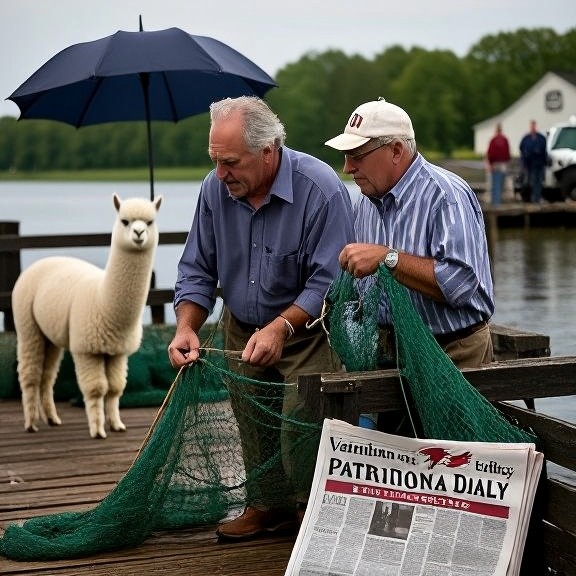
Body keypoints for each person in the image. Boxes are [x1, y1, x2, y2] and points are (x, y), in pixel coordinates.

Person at [168, 96, 355, 540]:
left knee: (302, 422)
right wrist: (186, 326)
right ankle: (267, 506)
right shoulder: (214, 190)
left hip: (310, 331)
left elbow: (329, 282)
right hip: (241, 326)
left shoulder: (321, 188)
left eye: (230, 162)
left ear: (268, 150)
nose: (220, 174)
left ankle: (315, 513)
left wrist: (280, 326)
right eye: (215, 161)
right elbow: (197, 268)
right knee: (253, 423)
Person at [324, 98, 495, 370]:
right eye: (346, 157)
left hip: (452, 353)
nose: (347, 168)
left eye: (357, 156)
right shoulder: (365, 201)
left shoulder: (446, 195)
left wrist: (387, 258)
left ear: (395, 150)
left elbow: (460, 285)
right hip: (391, 352)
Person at [519, 120, 548, 203]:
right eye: (531, 126)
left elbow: (543, 150)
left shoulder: (541, 138)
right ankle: (532, 198)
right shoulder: (526, 138)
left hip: (540, 164)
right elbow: (522, 149)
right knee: (531, 182)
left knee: (539, 181)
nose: (533, 128)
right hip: (529, 165)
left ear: (536, 126)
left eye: (534, 126)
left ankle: (537, 198)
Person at [486, 123, 511, 205]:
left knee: (495, 184)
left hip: (495, 164)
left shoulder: (493, 140)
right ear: (501, 130)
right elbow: (508, 154)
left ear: (496, 130)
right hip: (503, 164)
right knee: (501, 184)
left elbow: (490, 153)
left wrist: (489, 164)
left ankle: (496, 203)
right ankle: (499, 201)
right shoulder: (505, 140)